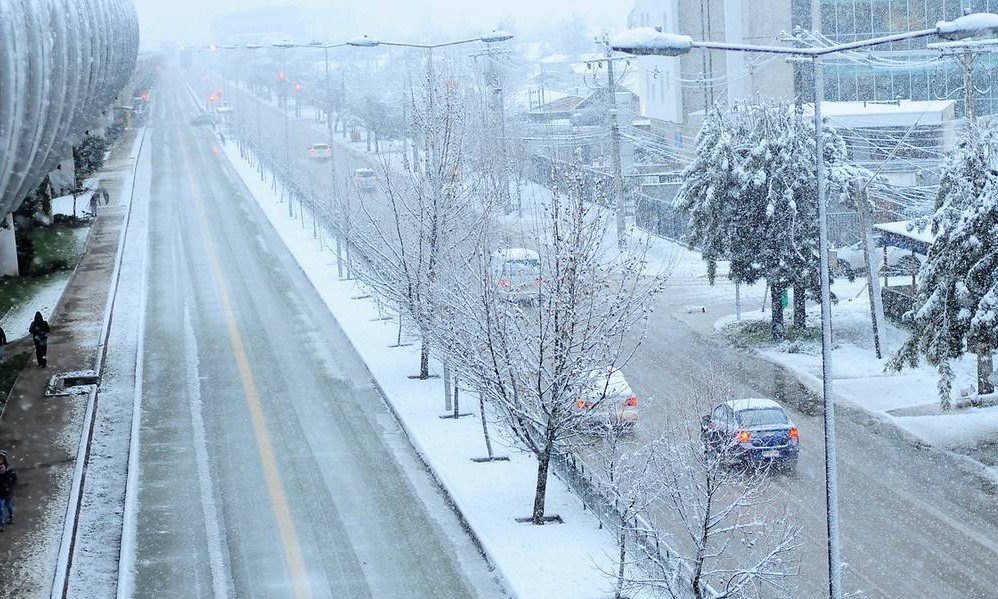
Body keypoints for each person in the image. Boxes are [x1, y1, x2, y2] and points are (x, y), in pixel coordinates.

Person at [0, 452, 16, 529]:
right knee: (1, 508)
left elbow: (14, 479)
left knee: (9, 506)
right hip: (0, 494)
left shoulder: (8, 473)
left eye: (2, 467)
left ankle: (10, 516)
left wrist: (10, 486)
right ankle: (1, 523)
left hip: (7, 493)